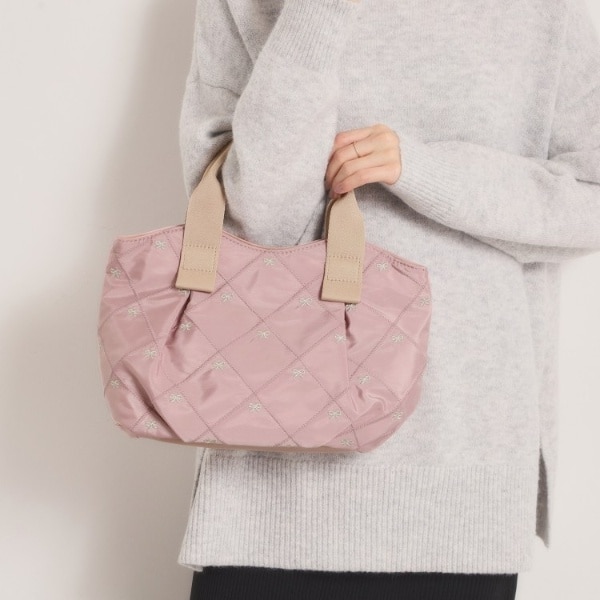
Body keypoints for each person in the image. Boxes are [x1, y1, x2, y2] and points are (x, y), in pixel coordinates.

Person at [176, 0, 600, 598]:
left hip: (461, 469)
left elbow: (589, 196)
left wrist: (423, 169)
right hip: (275, 482)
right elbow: (250, 219)